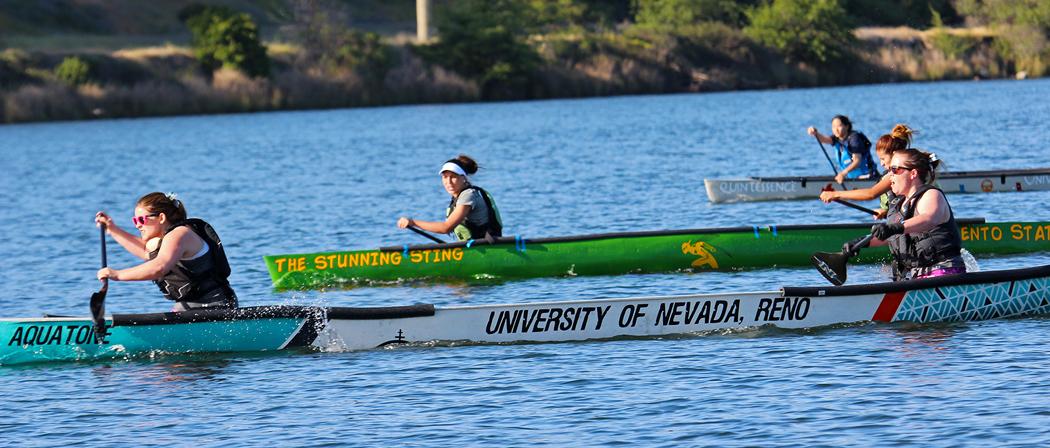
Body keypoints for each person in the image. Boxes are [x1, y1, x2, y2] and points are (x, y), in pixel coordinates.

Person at [95, 192, 238, 311]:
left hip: (216, 307)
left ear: (161, 218)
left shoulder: (180, 235)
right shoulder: (163, 240)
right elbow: (145, 249)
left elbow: (159, 267)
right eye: (135, 220)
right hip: (188, 307)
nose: (138, 225)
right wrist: (113, 230)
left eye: (142, 219)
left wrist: (117, 274)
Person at [844, 149, 965, 281]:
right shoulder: (899, 204)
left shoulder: (931, 195)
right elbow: (890, 235)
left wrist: (894, 227)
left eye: (895, 169)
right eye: (889, 170)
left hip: (946, 273)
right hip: (917, 277)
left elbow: (930, 219)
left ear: (913, 173)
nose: (890, 175)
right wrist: (861, 243)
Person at [819, 124, 916, 219]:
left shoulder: (897, 175)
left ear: (894, 155)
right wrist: (885, 212)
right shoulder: (902, 171)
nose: (881, 163)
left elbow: (871, 194)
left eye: (883, 159)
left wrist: (835, 194)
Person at [397, 154, 503, 242]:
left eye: (454, 177)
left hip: (488, 247)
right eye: (445, 177)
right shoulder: (458, 197)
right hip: (476, 247)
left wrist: (413, 223)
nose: (449, 182)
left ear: (464, 178)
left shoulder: (468, 196)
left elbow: (447, 228)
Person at [808, 115, 876, 184]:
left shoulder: (855, 139)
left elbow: (857, 161)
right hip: (851, 179)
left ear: (847, 126)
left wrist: (843, 173)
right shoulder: (837, 138)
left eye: (839, 126)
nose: (836, 129)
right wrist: (815, 133)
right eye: (834, 127)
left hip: (866, 177)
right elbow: (823, 139)